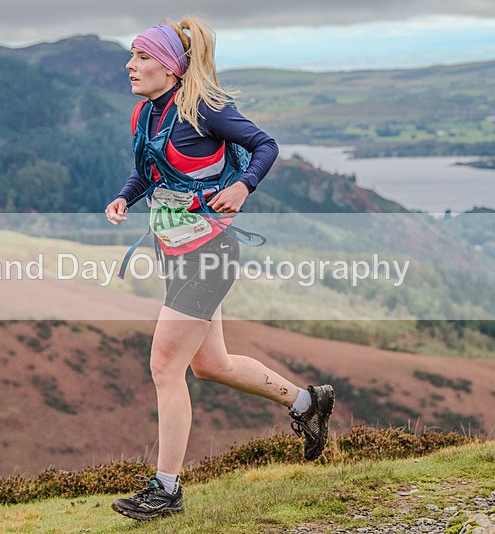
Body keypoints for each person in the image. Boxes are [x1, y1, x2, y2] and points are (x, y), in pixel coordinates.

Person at [105, 17, 335, 521]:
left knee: (165, 366)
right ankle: (306, 403)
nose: (131, 64)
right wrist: (125, 197)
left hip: (209, 253)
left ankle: (166, 489)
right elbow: (148, 171)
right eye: (132, 55)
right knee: (211, 365)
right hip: (175, 250)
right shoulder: (145, 115)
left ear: (170, 65)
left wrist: (243, 187)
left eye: (142, 57)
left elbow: (265, 145)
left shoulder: (204, 109)